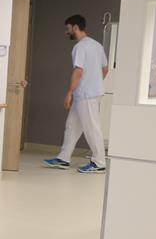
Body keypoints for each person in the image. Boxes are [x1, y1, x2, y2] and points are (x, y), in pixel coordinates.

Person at [43, 14, 109, 173]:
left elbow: (78, 71)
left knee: (92, 128)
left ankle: (99, 163)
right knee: (72, 126)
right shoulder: (97, 45)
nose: (66, 32)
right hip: (88, 93)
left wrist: (69, 93)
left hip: (86, 95)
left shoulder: (80, 47)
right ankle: (63, 158)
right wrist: (95, 83)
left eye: (68, 28)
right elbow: (105, 69)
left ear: (75, 27)